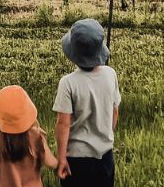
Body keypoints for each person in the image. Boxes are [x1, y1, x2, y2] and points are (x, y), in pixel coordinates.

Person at [52, 19, 121, 187]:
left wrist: (61, 158)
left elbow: (63, 124)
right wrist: (103, 134)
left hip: (76, 161)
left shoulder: (68, 83)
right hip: (105, 157)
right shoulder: (110, 74)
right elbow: (114, 112)